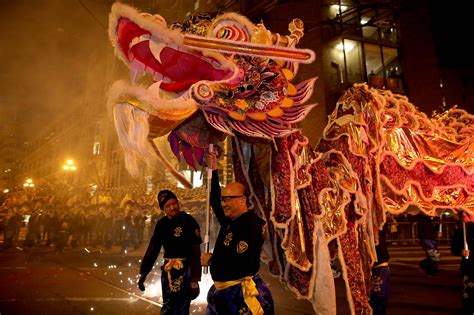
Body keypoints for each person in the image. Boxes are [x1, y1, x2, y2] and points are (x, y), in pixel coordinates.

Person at [201, 152, 274, 314]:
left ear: (242, 199)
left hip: (240, 295)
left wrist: (211, 259)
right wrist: (212, 169)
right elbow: (213, 199)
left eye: (228, 199)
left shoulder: (251, 224)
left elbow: (240, 263)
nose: (223, 203)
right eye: (223, 199)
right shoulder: (230, 220)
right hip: (221, 292)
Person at [138, 190, 202, 314]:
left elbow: (196, 252)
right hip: (168, 272)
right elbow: (153, 249)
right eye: (168, 205)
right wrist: (144, 273)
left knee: (182, 307)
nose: (173, 207)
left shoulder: (189, 221)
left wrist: (195, 279)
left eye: (174, 203)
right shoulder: (161, 224)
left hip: (186, 271)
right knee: (168, 305)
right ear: (163, 209)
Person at [451, 211, 474, 314]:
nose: (464, 215)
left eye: (468, 213)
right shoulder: (460, 232)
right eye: (463, 213)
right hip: (468, 267)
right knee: (468, 293)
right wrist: (461, 252)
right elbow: (454, 248)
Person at [369, 224, 390, 315]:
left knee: (378, 298)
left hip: (379, 265)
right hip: (371, 264)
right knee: (372, 298)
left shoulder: (378, 222)